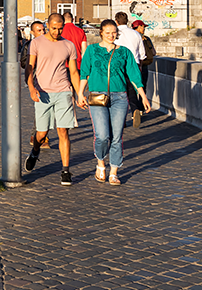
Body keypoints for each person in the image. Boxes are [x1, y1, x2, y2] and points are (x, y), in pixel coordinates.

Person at [79, 19, 151, 185]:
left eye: (114, 33)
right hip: (97, 95)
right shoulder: (92, 50)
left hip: (119, 97)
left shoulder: (124, 52)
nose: (111, 35)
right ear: (101, 33)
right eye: (108, 32)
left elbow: (133, 75)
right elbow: (84, 72)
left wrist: (143, 96)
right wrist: (80, 93)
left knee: (117, 136)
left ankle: (114, 171)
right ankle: (100, 163)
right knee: (102, 135)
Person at [25, 13, 85, 185]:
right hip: (42, 92)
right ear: (47, 25)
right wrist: (31, 87)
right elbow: (30, 68)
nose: (57, 32)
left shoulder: (69, 45)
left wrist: (79, 93)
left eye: (60, 29)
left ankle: (66, 171)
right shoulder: (36, 43)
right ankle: (35, 151)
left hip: (63, 91)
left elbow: (73, 72)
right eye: (54, 28)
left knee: (63, 131)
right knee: (42, 133)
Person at [114, 12, 146, 126]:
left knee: (119, 92)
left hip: (119, 66)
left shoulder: (115, 34)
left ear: (116, 21)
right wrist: (139, 66)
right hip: (134, 65)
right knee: (132, 91)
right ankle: (135, 109)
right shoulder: (136, 34)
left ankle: (121, 119)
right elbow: (142, 54)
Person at [22, 21, 50, 149]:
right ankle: (38, 135)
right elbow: (24, 63)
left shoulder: (51, 44)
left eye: (43, 30)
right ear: (32, 33)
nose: (42, 32)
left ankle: (40, 134)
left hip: (50, 79)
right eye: (39, 30)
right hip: (36, 80)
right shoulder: (29, 45)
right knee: (41, 107)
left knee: (46, 108)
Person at [132, 20, 156, 128]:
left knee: (132, 88)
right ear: (137, 27)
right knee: (142, 86)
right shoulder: (145, 39)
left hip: (134, 65)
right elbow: (153, 52)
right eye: (142, 27)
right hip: (143, 65)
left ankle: (135, 108)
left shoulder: (131, 37)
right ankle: (140, 108)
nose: (144, 29)